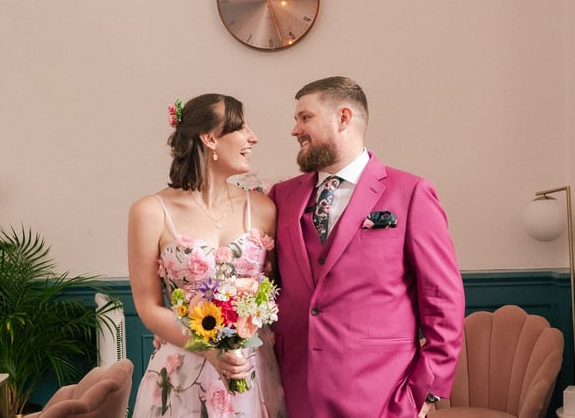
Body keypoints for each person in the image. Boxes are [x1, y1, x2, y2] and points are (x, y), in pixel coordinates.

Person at [268, 76, 465, 417]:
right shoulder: (281, 196)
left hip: (383, 394)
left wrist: (425, 392)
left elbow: (442, 298)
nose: (295, 130)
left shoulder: (411, 193)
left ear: (343, 118)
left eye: (305, 118)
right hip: (296, 388)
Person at [129, 93, 286, 418]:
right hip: (183, 370)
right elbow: (148, 307)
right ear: (210, 138)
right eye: (241, 127)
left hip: (250, 369)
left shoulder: (262, 208)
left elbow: (273, 293)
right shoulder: (150, 212)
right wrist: (211, 351)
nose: (253, 137)